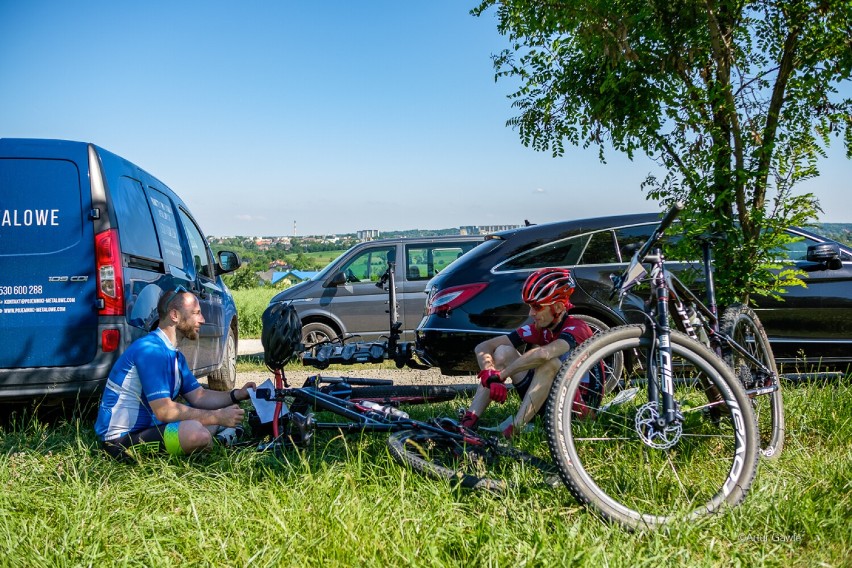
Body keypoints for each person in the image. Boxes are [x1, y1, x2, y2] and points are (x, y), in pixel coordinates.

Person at [95, 287, 256, 460]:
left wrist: (237, 394)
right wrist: (217, 417)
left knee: (214, 414)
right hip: (119, 442)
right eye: (196, 313)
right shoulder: (151, 351)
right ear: (174, 315)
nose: (202, 320)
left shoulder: (174, 355)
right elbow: (164, 411)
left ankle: (214, 438)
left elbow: (199, 396)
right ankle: (218, 440)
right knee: (196, 432)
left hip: (151, 429)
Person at [459, 267, 600, 438]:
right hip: (549, 401)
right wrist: (490, 373)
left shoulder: (577, 328)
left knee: (550, 363)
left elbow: (544, 354)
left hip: (579, 411)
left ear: (558, 307)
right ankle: (469, 421)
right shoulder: (541, 328)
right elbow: (483, 347)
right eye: (530, 306)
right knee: (503, 351)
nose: (531, 313)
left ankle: (514, 431)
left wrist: (502, 375)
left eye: (537, 307)